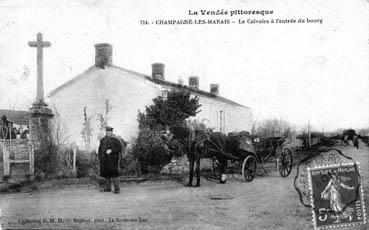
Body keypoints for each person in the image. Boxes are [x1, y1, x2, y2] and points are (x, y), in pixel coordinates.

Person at [98, 126, 122, 194]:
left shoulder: (116, 139)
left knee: (114, 174)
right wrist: (100, 158)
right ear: (106, 131)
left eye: (110, 131)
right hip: (104, 160)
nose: (108, 132)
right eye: (107, 131)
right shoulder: (102, 140)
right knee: (105, 174)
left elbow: (119, 148)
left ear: (112, 132)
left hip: (113, 160)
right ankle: (107, 188)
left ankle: (117, 189)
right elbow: (99, 150)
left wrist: (111, 150)